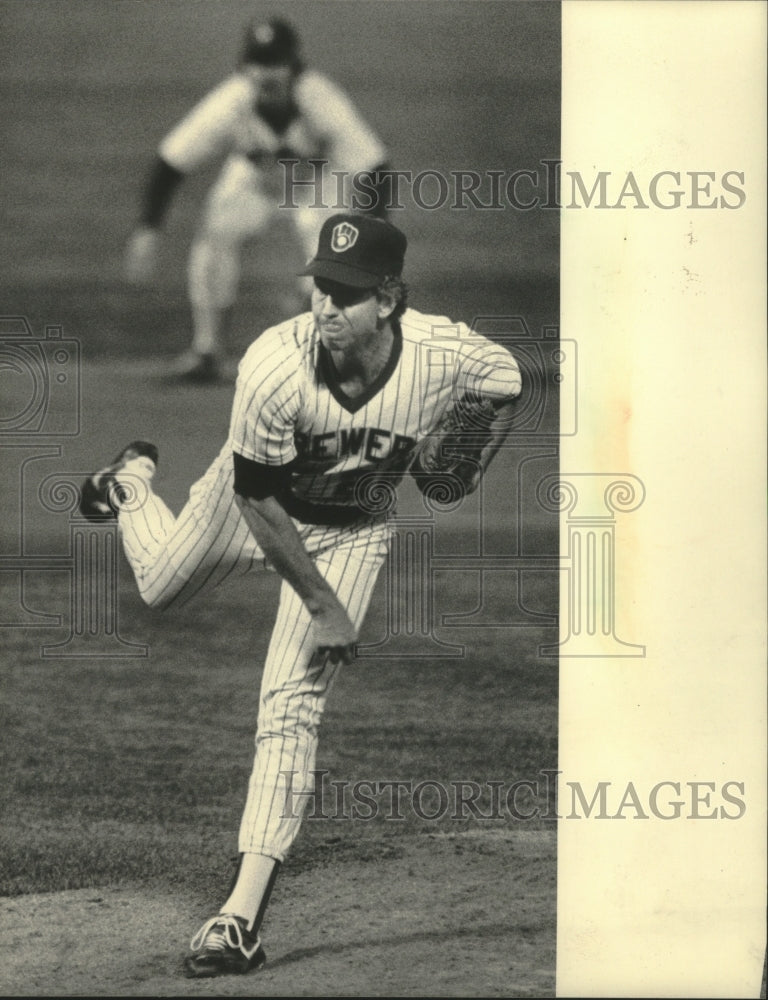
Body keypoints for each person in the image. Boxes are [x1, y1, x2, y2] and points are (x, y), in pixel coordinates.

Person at [81, 213, 522, 978]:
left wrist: (467, 445)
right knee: (156, 586)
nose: (324, 304)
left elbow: (505, 376)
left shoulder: (444, 353)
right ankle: (130, 483)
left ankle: (236, 920)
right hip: (249, 506)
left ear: (389, 299)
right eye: (321, 286)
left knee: (290, 707)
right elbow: (258, 500)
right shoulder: (273, 365)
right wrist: (324, 603)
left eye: (345, 294)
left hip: (353, 531)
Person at [125, 15, 390, 383]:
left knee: (331, 254)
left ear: (293, 67)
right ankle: (206, 351)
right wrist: (148, 228)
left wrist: (376, 236)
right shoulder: (231, 101)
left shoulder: (320, 98)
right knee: (215, 234)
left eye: (276, 63)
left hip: (315, 181)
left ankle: (329, 354)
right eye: (259, 63)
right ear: (244, 68)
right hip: (253, 180)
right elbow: (171, 161)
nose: (267, 73)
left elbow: (375, 166)